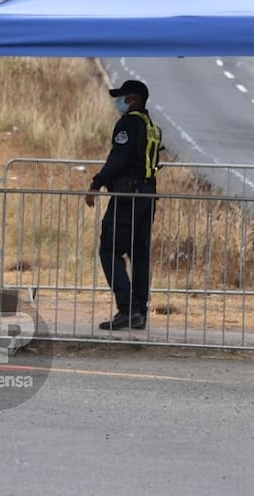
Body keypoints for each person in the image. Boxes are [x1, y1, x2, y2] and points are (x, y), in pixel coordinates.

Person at [84, 79, 162, 330]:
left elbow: (119, 157)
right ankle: (139, 311)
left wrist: (96, 184)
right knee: (139, 254)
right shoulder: (152, 126)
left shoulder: (128, 124)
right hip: (147, 195)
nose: (120, 102)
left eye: (124, 98)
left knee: (109, 250)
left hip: (129, 198)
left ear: (135, 99)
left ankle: (127, 309)